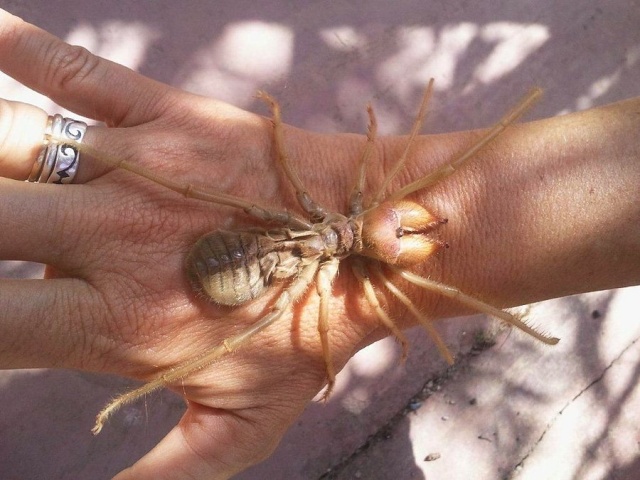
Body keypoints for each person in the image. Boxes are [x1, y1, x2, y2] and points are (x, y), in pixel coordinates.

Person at [0, 9, 638, 480]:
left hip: (265, 264)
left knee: (268, 308)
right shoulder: (328, 212)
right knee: (247, 241)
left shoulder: (352, 239)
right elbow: (292, 192)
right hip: (256, 256)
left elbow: (394, 282)